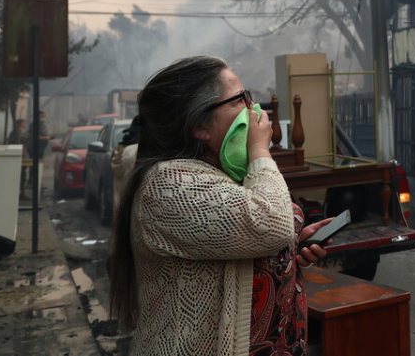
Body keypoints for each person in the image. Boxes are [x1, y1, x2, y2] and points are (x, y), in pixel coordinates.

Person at [108, 56, 331, 356]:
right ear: (200, 125)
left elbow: (246, 243)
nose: (254, 109)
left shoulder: (220, 172)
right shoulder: (168, 184)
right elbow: (271, 225)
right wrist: (259, 149)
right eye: (240, 99)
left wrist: (288, 255)